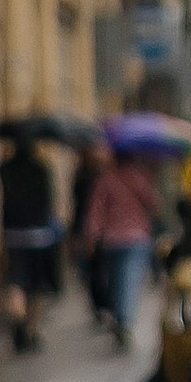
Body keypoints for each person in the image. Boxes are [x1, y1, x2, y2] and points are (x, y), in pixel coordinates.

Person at [78, 139, 164, 348]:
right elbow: (154, 205)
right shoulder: (139, 177)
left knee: (115, 280)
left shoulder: (105, 179)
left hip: (111, 239)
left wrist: (91, 237)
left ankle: (120, 317)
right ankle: (124, 320)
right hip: (136, 238)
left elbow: (95, 211)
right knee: (130, 279)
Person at [0, 137, 63, 352]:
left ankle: (17, 317)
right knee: (37, 286)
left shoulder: (5, 169)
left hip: (13, 234)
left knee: (15, 281)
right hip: (39, 236)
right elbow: (50, 203)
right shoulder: (42, 169)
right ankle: (31, 331)